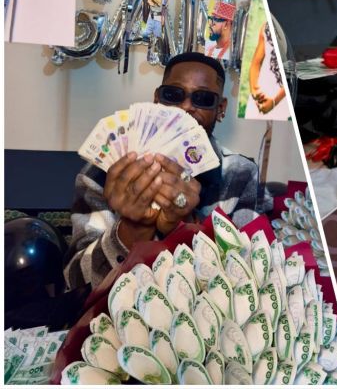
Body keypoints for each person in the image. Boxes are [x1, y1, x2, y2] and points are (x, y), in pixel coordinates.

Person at [65, 53, 266, 290]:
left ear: (220, 108)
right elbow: (77, 282)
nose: (186, 107)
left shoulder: (240, 174)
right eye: (174, 95)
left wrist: (184, 224)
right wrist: (132, 229)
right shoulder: (104, 170)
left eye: (202, 98)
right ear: (157, 98)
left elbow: (249, 278)